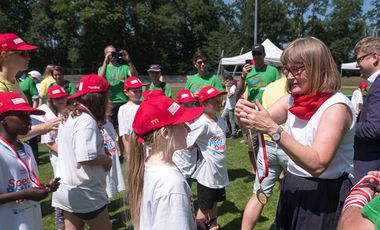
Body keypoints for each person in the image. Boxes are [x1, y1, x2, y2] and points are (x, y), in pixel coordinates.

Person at [236, 36, 355, 229]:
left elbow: (317, 164)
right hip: (293, 185)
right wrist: (243, 114)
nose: (290, 77)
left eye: (297, 69)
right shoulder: (293, 100)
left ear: (317, 67)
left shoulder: (336, 107)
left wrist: (273, 130)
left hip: (323, 196)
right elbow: (252, 126)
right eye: (287, 70)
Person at [127, 90, 207, 229]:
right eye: (182, 124)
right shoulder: (171, 184)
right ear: (166, 133)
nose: (188, 129)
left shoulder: (148, 165)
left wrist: (193, 224)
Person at [52, 74, 112, 230]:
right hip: (85, 191)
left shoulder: (70, 115)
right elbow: (85, 157)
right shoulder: (86, 121)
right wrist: (106, 160)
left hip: (67, 188)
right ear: (99, 98)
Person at [0, 92, 60, 230]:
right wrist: (23, 194)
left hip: (30, 220)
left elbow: (22, 184)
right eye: (22, 115)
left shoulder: (26, 147)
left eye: (28, 114)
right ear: (2, 117)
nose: (29, 119)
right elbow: (22, 191)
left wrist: (43, 187)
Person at [241, 71, 289, 230]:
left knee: (259, 195)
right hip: (288, 144)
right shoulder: (296, 87)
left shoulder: (268, 88)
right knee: (296, 191)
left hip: (267, 145)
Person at [0, 33, 61, 140]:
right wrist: (44, 126)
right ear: (5, 56)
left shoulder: (14, 81)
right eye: (22, 54)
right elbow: (6, 131)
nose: (29, 57)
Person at [237, 43, 280, 183]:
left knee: (273, 141)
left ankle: (278, 171)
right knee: (252, 145)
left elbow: (279, 89)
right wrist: (243, 76)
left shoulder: (272, 71)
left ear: (264, 55)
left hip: (269, 110)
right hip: (252, 112)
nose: (256, 56)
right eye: (254, 54)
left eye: (259, 54)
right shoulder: (248, 71)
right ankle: (254, 171)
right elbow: (239, 90)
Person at [187, 86, 229, 225]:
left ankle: (213, 226)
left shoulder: (220, 120)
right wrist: (197, 150)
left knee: (215, 203)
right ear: (204, 104)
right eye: (214, 101)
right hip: (207, 175)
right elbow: (187, 142)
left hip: (219, 172)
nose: (218, 103)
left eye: (219, 100)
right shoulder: (201, 123)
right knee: (204, 208)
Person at [37, 85, 69, 230]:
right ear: (52, 100)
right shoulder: (47, 116)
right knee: (60, 187)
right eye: (57, 98)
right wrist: (65, 154)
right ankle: (60, 221)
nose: (61, 100)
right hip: (59, 157)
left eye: (62, 97)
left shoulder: (71, 111)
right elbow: (48, 142)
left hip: (72, 158)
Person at [352, 37, 380, 184]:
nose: (357, 65)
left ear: (375, 57)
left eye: (360, 59)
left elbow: (374, 128)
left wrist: (346, 125)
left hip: (371, 164)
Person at [98, 45, 137, 130]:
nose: (113, 55)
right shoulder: (102, 68)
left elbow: (134, 77)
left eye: (114, 52)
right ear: (105, 55)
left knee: (125, 130)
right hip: (109, 103)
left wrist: (128, 61)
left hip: (125, 102)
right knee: (110, 129)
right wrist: (105, 62)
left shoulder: (124, 67)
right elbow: (99, 80)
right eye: (110, 53)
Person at [172, 89, 198, 186]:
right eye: (187, 105)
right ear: (179, 105)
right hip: (178, 166)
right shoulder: (175, 122)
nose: (190, 107)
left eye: (192, 104)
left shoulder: (196, 119)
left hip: (191, 164)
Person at [118, 76, 144, 158]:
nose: (138, 93)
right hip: (133, 143)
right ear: (126, 92)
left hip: (146, 144)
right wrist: (129, 154)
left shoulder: (145, 105)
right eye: (134, 91)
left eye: (140, 91)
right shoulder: (123, 109)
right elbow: (124, 134)